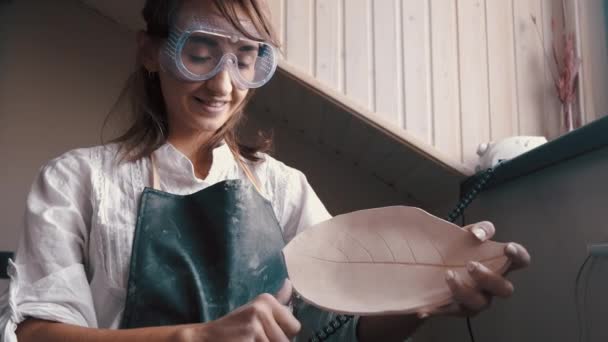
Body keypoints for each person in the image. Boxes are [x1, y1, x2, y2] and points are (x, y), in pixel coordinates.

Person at [0, 0, 531, 341]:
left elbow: (350, 324)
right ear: (152, 51)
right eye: (201, 50)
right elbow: (40, 333)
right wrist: (199, 337)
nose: (223, 83)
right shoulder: (78, 181)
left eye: (246, 56)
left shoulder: (282, 187)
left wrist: (427, 294)